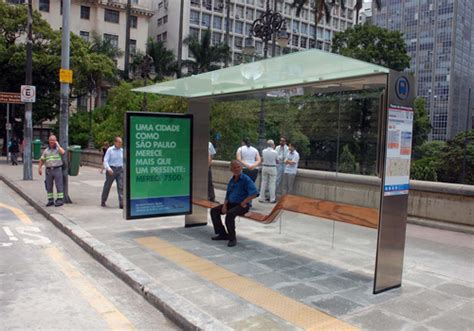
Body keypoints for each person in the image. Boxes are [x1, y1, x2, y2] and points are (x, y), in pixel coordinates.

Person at [210, 160, 258, 247]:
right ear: (231, 169)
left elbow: (254, 193)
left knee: (230, 214)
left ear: (241, 168)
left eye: (238, 167)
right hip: (231, 203)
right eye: (234, 168)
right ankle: (222, 234)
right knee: (214, 211)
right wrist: (224, 206)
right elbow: (228, 194)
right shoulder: (232, 180)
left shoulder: (246, 179)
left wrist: (243, 203)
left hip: (242, 205)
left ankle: (232, 238)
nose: (237, 169)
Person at [38, 135, 65, 207]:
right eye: (51, 140)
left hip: (57, 169)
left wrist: (58, 145)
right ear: (49, 141)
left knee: (59, 185)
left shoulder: (58, 149)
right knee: (49, 186)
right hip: (49, 170)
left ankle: (60, 200)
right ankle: (50, 200)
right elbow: (42, 160)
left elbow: (63, 152)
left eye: (53, 140)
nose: (52, 142)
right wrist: (39, 168)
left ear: (56, 141)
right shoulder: (46, 151)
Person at [101, 136, 124, 209]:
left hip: (120, 170)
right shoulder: (110, 150)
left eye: (121, 142)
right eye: (119, 142)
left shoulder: (122, 151)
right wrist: (108, 168)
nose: (120, 144)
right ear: (115, 142)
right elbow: (105, 160)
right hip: (111, 169)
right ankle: (103, 200)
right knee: (107, 186)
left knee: (121, 186)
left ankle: (121, 203)